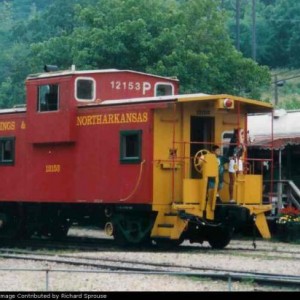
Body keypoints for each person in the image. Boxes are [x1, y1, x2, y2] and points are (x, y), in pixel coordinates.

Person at [227, 128, 246, 203]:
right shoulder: (233, 141)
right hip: (233, 160)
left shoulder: (242, 141)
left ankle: (240, 197)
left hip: (239, 160)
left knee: (240, 178)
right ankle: (231, 198)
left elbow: (244, 150)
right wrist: (241, 139)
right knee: (232, 180)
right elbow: (238, 146)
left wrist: (242, 141)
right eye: (241, 133)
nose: (243, 135)